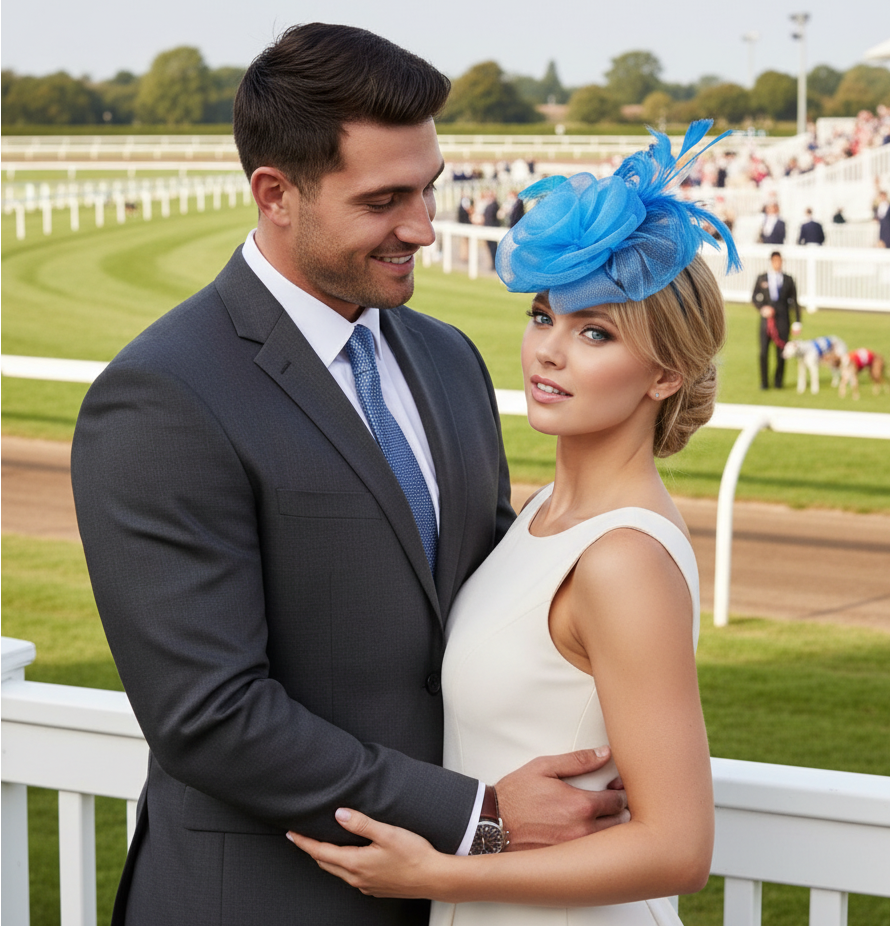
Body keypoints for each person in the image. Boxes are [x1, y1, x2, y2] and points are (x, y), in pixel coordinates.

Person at [71, 23, 627, 926]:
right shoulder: (161, 396)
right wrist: (480, 818)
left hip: (462, 901)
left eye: (429, 188)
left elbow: (484, 603)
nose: (424, 226)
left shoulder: (447, 359)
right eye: (384, 200)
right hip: (261, 900)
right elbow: (210, 716)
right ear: (275, 193)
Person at [289, 121, 741, 924]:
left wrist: (438, 872)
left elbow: (679, 848)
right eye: (544, 317)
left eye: (594, 331)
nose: (549, 353)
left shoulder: (623, 558)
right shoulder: (540, 512)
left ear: (666, 372)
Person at [752, 251, 801, 389]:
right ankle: (764, 382)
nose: (777, 263)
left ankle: (779, 381)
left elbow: (794, 301)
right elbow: (754, 297)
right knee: (763, 352)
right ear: (771, 261)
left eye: (779, 261)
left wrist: (797, 321)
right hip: (766, 321)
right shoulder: (762, 278)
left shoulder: (788, 279)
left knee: (781, 351)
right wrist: (762, 308)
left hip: (783, 319)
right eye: (775, 261)